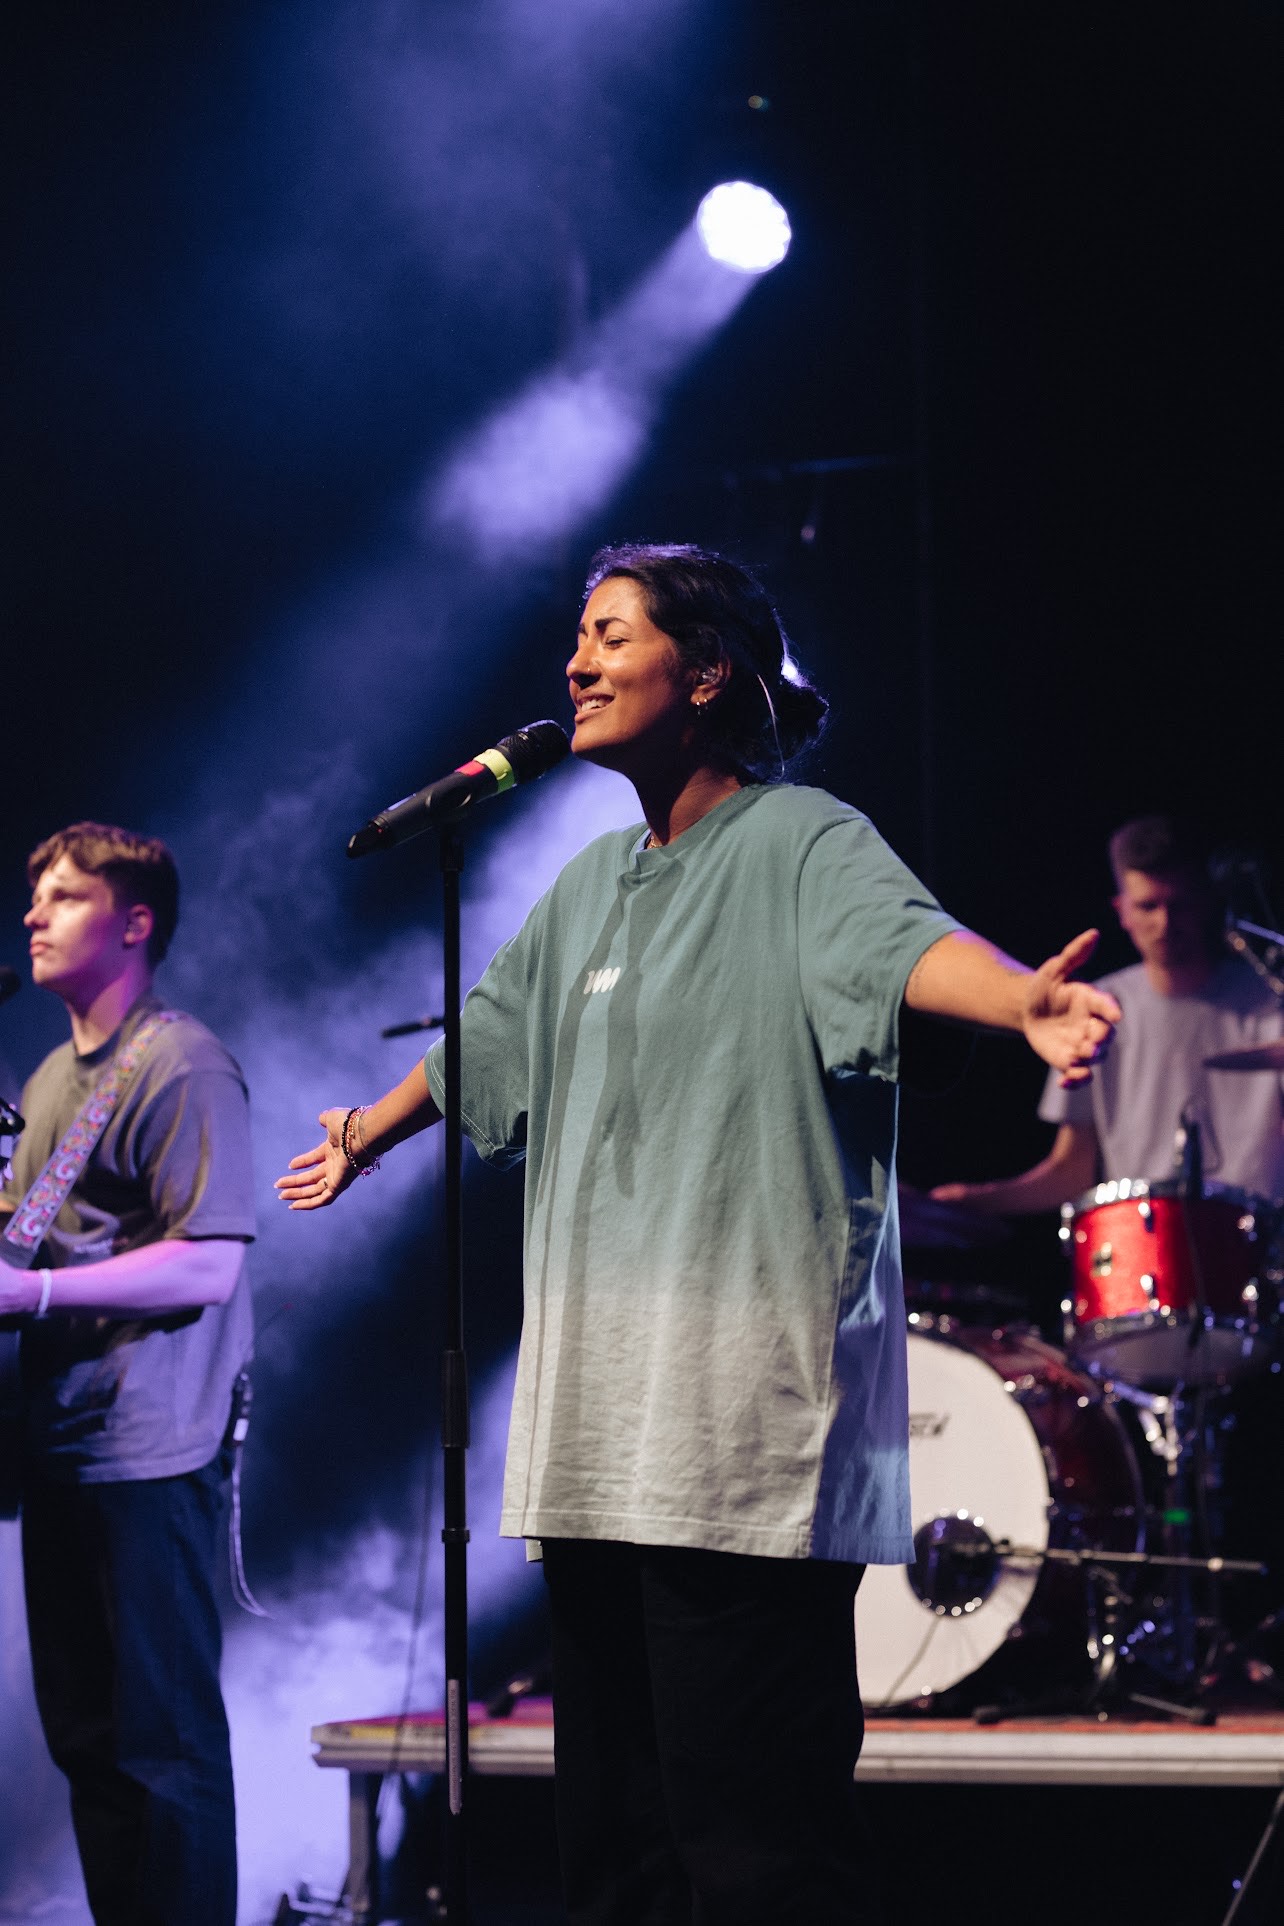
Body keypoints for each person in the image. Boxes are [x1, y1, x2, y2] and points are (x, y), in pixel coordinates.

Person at [277, 545, 1118, 1925]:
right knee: (619, 1856)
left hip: (743, 1446)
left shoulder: (802, 843)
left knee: (759, 1854)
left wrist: (1021, 997)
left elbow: (910, 946)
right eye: (577, 637)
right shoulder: (591, 882)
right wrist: (366, 1129)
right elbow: (490, 1037)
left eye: (612, 634)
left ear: (707, 670)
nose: (576, 662)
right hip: (599, 1437)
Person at [0, 823, 254, 1926]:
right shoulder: (55, 1074)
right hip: (63, 1446)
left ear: (134, 922)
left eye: (61, 897)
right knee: (90, 1748)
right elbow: (33, 1244)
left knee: (164, 1750)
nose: (32, 916)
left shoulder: (180, 1059)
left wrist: (37, 1294)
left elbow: (209, 1260)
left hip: (151, 1449)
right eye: (32, 898)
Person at [933, 814, 1284, 1214]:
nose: (1164, 924)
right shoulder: (1095, 1008)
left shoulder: (1271, 1000)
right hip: (1142, 1247)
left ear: (1206, 903)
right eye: (1147, 906)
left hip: (1256, 1245)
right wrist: (974, 1200)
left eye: (1180, 905)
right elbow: (1072, 1171)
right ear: (1122, 911)